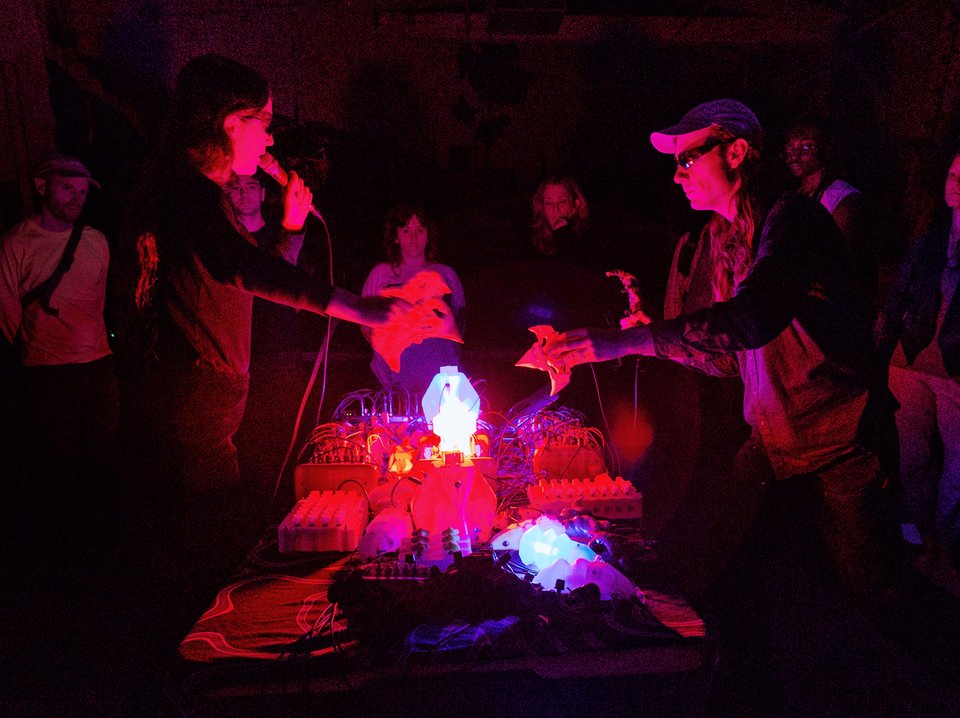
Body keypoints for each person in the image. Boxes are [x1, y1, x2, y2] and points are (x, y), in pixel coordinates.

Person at [549, 98, 896, 599]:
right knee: (728, 580)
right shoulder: (725, 237)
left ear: (736, 153)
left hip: (838, 442)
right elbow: (728, 356)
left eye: (687, 159)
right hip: (774, 441)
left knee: (871, 600)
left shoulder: (793, 220)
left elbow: (751, 319)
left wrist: (629, 340)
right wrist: (651, 338)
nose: (677, 176)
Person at [124, 55, 407, 630]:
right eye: (266, 120)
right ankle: (188, 675)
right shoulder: (193, 195)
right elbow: (241, 269)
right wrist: (353, 304)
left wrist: (293, 228)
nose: (272, 137)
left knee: (204, 542)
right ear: (232, 123)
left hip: (204, 395)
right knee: (199, 552)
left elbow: (245, 275)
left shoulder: (197, 196)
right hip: (192, 399)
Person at [0, 153, 120, 567]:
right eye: (67, 187)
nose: (76, 197)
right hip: (45, 372)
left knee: (100, 463)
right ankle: (62, 558)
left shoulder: (96, 240)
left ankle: (98, 552)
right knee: (56, 468)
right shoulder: (15, 244)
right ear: (41, 186)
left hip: (97, 366)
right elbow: (7, 313)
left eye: (83, 191)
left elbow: (99, 302)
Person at [878, 149, 960, 569]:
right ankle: (916, 536)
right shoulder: (931, 240)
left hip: (955, 371)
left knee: (957, 466)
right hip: (910, 360)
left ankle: (944, 542)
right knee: (911, 455)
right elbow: (899, 295)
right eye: (951, 174)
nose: (955, 184)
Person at [361, 203, 465, 397]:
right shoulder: (380, 275)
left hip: (443, 379)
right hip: (394, 381)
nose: (414, 238)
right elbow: (365, 323)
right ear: (396, 236)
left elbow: (460, 319)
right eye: (406, 230)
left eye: (419, 230)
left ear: (428, 235)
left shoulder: (446, 274)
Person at [783, 118, 874, 303]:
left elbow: (838, 260)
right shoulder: (792, 198)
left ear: (825, 149)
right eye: (790, 149)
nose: (795, 155)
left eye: (806, 148)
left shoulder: (843, 196)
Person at [530, 174, 590, 258]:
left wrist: (563, 234)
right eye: (548, 203)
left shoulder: (588, 240)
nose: (555, 208)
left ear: (575, 206)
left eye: (562, 201)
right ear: (541, 208)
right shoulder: (533, 242)